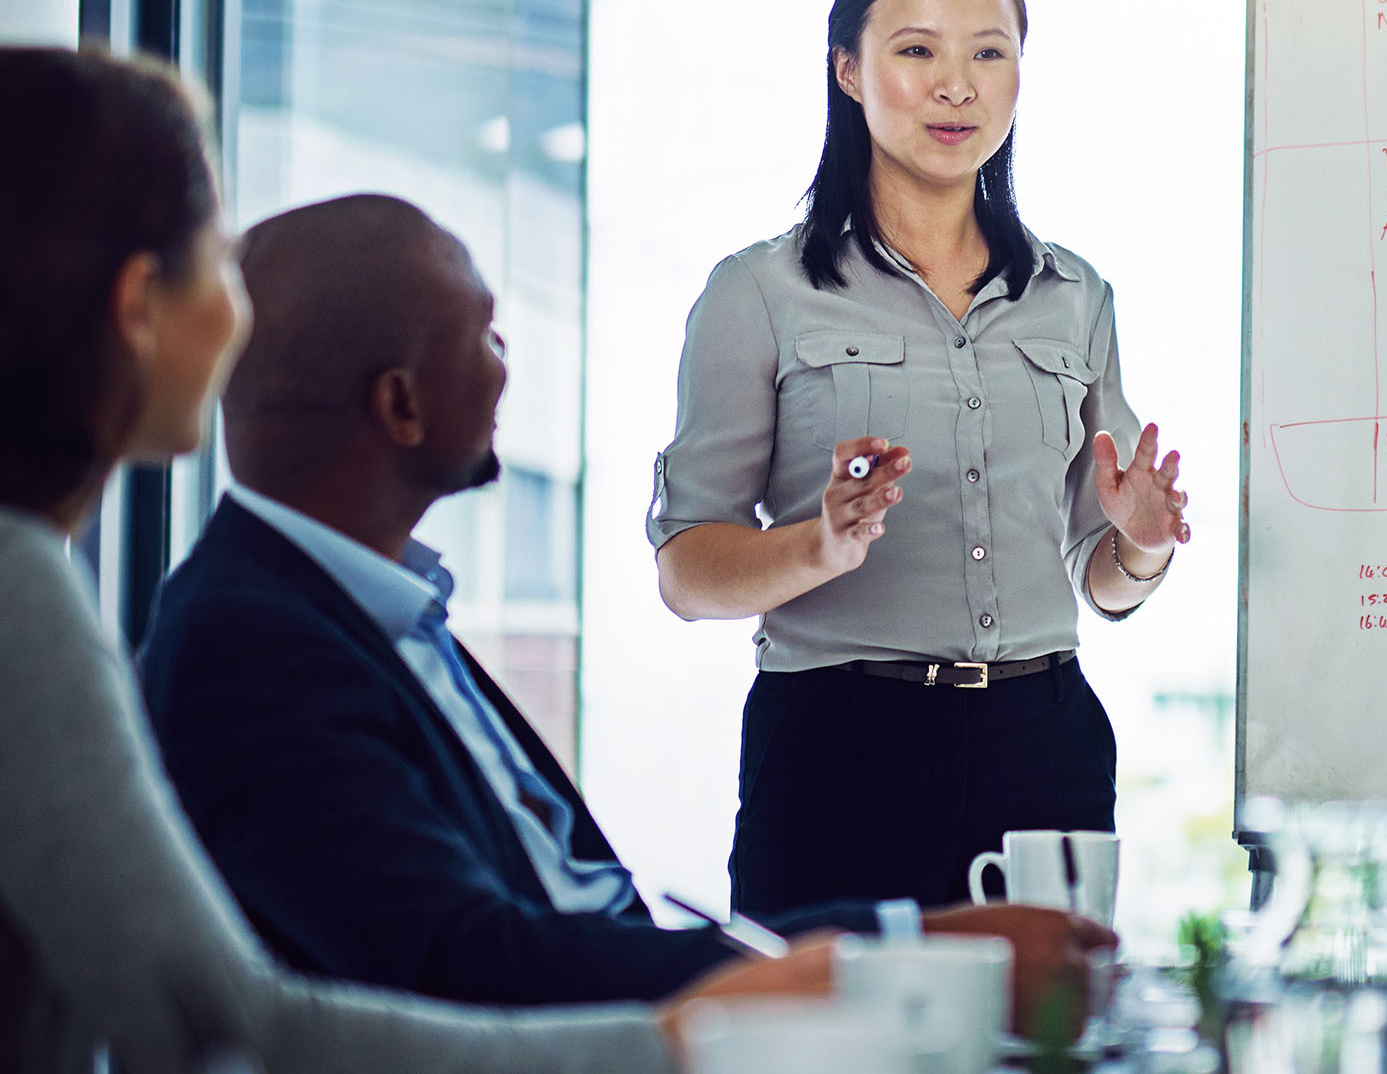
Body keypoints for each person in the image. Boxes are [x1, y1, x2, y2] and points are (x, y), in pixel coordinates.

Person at [0, 45, 834, 1074]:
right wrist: (687, 1040)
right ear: (137, 307)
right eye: (215, 257)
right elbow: (220, 1028)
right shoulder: (27, 597)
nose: (243, 312)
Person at [136, 193, 1114, 1024]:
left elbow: (559, 909)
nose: (508, 355)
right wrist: (902, 953)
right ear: (400, 406)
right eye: (482, 329)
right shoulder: (252, 646)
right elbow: (470, 969)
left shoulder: (376, 617)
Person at [649, 0, 1192, 917]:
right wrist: (821, 545)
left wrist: (1142, 544)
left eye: (990, 53)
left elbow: (1101, 582)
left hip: (1047, 745)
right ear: (848, 71)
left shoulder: (1077, 297)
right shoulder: (758, 293)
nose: (957, 85)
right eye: (917, 51)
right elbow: (686, 571)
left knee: (1051, 1044)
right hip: (840, 748)